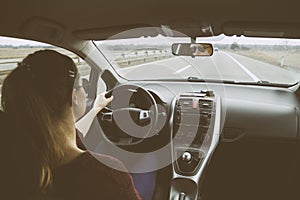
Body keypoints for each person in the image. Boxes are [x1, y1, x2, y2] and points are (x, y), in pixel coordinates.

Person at [1, 50, 141, 200]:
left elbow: (68, 134)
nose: (85, 93)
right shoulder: (106, 175)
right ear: (73, 96)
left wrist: (96, 109)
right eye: (82, 86)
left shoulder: (13, 162)